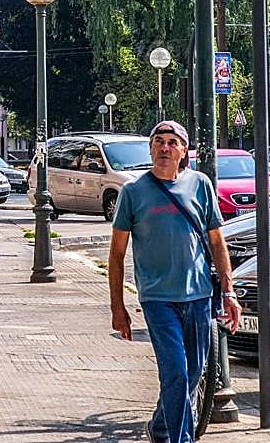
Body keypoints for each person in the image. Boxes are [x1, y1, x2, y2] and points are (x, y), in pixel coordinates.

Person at [108, 120, 242, 443]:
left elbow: (217, 242)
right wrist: (117, 307)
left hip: (198, 296)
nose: (164, 147)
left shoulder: (200, 185)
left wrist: (228, 292)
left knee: (193, 373)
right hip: (157, 299)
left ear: (184, 151)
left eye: (172, 142)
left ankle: (160, 427)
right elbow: (116, 254)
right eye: (158, 141)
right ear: (151, 148)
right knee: (176, 374)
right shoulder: (133, 192)